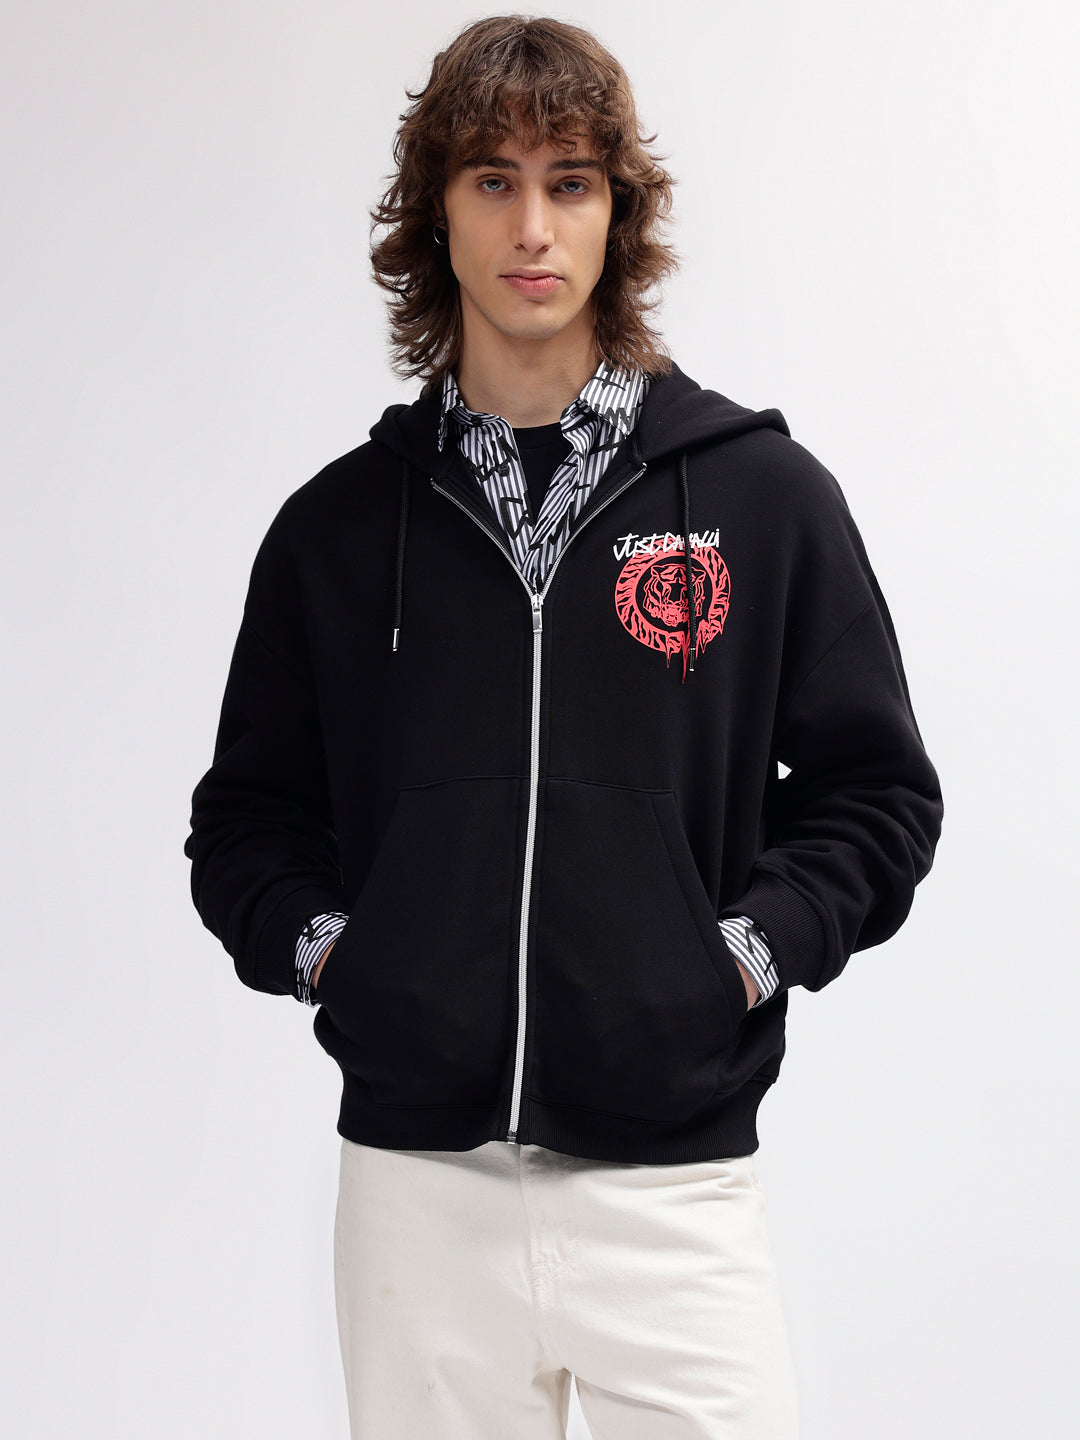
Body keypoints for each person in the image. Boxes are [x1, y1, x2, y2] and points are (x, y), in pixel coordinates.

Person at [185, 14, 942, 1438]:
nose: (532, 227)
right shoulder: (336, 531)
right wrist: (344, 958)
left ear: (617, 213)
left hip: (674, 1187)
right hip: (420, 1197)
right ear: (438, 213)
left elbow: (878, 794)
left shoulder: (763, 501)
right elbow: (245, 824)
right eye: (493, 180)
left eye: (570, 182)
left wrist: (734, 958)